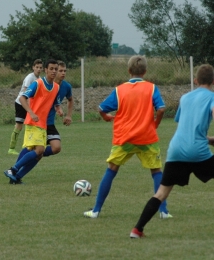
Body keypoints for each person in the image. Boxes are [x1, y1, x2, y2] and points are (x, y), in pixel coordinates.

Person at [130, 64, 214, 238]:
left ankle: (137, 230)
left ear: (195, 80)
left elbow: (186, 126)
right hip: (197, 151)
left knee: (161, 193)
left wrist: (208, 140)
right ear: (213, 81)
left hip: (176, 149)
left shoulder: (184, 98)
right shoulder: (212, 98)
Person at [84, 55, 172, 219]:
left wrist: (105, 117)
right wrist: (155, 124)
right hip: (146, 137)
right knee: (156, 171)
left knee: (112, 169)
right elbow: (161, 109)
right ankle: (163, 211)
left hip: (124, 138)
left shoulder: (120, 90)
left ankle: (96, 210)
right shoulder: (151, 88)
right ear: (145, 72)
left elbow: (101, 108)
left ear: (128, 71)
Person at [7, 60, 73, 184]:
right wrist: (31, 113)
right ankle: (14, 170)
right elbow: (22, 97)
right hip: (35, 122)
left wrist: (60, 109)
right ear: (46, 70)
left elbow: (59, 101)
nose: (58, 72)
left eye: (60, 70)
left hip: (46, 123)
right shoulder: (38, 83)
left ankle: (17, 174)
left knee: (49, 149)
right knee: (36, 150)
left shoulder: (59, 87)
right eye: (55, 69)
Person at [8, 59, 43, 155]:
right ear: (33, 67)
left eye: (40, 68)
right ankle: (11, 148)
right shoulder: (30, 78)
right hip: (21, 104)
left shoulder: (39, 79)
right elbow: (25, 95)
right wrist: (30, 109)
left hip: (29, 106)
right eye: (37, 67)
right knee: (19, 126)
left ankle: (30, 146)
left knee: (31, 126)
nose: (39, 69)